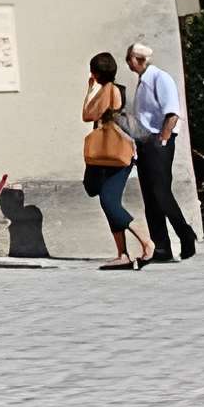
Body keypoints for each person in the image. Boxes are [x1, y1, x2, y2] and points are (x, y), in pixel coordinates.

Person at [125, 41, 199, 262]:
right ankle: (161, 247)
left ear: (138, 59)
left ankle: (185, 234)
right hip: (146, 143)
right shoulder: (142, 82)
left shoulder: (160, 78)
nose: (128, 63)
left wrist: (163, 140)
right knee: (150, 196)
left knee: (161, 192)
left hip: (159, 143)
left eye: (130, 59)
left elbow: (172, 113)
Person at [82, 51, 147, 269]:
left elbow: (87, 114)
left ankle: (147, 243)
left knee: (109, 201)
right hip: (111, 155)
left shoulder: (107, 90)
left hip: (114, 154)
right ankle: (123, 254)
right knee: (107, 200)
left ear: (96, 73)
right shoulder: (118, 89)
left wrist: (90, 89)